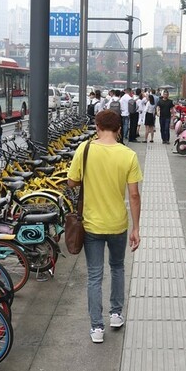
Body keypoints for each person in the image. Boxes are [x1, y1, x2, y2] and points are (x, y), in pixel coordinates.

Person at [67, 109, 143, 344]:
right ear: (119, 128)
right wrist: (136, 228)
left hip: (92, 224)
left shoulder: (85, 149)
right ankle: (116, 314)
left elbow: (71, 181)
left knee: (94, 276)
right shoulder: (128, 155)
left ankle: (97, 327)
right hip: (118, 223)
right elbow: (134, 195)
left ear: (97, 127)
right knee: (118, 267)